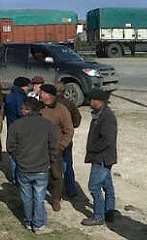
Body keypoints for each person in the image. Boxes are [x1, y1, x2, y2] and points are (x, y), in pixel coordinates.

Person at [6, 97, 59, 234]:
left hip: (24, 168)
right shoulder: (47, 125)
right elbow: (54, 146)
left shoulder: (16, 125)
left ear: (28, 110)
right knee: (39, 197)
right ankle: (39, 224)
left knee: (26, 197)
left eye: (22, 108)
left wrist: (18, 159)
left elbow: (10, 147)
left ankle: (29, 222)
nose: (20, 110)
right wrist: (50, 161)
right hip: (41, 168)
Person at [81, 89, 118, 226]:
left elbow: (107, 139)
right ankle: (109, 212)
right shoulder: (101, 114)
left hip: (102, 158)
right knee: (107, 185)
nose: (90, 102)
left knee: (94, 186)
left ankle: (98, 216)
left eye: (92, 100)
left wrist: (92, 149)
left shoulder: (107, 116)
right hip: (103, 157)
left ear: (99, 101)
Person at [39, 84, 74, 212]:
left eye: (42, 93)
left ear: (49, 95)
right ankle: (39, 197)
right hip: (39, 147)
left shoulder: (61, 110)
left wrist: (62, 145)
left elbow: (69, 130)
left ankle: (55, 199)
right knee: (40, 173)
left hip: (55, 148)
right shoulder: (39, 107)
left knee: (56, 175)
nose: (39, 94)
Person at [55, 82, 82, 199]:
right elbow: (77, 119)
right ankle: (70, 190)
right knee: (67, 166)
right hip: (66, 139)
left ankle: (55, 190)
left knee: (52, 166)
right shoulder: (69, 104)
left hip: (53, 140)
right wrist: (70, 126)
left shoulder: (50, 104)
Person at [5, 77, 31, 183]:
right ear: (22, 86)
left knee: (12, 154)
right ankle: (18, 177)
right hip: (20, 129)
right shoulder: (20, 97)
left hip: (11, 126)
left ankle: (14, 177)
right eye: (27, 86)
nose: (28, 88)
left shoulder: (9, 96)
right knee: (21, 154)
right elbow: (21, 113)